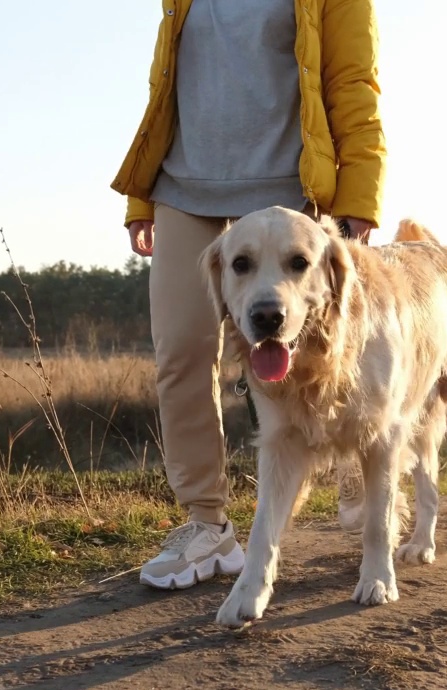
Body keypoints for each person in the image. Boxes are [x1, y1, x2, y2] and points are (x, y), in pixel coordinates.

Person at [110, 0, 387, 590]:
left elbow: (352, 81)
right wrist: (142, 196)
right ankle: (207, 524)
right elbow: (168, 85)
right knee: (180, 353)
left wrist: (358, 198)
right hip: (183, 188)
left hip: (291, 191)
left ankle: (354, 471)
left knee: (324, 359)